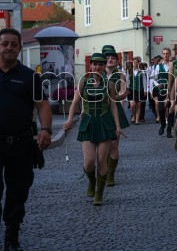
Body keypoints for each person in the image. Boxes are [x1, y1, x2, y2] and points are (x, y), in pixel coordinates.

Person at [0, 28, 52, 251]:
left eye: (13, 44)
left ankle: (12, 236)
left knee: (17, 191)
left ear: (20, 48)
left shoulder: (30, 76)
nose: (9, 47)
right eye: (4, 44)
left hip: (20, 143)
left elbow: (42, 105)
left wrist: (46, 130)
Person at [63, 53, 122, 206]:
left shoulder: (109, 84)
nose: (97, 67)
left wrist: (117, 126)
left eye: (100, 64)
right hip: (88, 123)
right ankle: (91, 181)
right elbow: (75, 102)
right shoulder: (83, 81)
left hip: (104, 123)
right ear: (91, 65)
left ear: (104, 67)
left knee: (102, 160)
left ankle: (99, 193)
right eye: (94, 64)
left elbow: (113, 106)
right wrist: (70, 119)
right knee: (89, 162)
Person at [102, 45, 130, 187]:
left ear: (117, 62)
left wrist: (113, 97)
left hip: (115, 111)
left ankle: (110, 174)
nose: (110, 60)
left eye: (113, 58)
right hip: (100, 112)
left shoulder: (120, 75)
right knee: (102, 144)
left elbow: (124, 93)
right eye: (107, 58)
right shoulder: (96, 74)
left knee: (114, 144)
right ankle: (103, 169)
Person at [154, 48, 174, 137]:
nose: (165, 55)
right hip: (161, 89)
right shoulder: (158, 66)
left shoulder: (172, 65)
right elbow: (154, 77)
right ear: (162, 55)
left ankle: (169, 130)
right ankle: (163, 124)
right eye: (164, 54)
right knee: (161, 109)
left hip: (171, 89)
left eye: (167, 53)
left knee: (170, 110)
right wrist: (156, 84)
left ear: (169, 54)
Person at [128, 57, 147, 125]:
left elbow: (144, 81)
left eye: (137, 62)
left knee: (139, 105)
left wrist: (145, 90)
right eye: (134, 62)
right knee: (133, 105)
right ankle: (133, 115)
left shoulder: (142, 71)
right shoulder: (129, 71)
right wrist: (127, 88)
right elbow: (127, 81)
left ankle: (137, 119)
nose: (135, 64)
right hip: (131, 90)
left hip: (140, 90)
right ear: (132, 63)